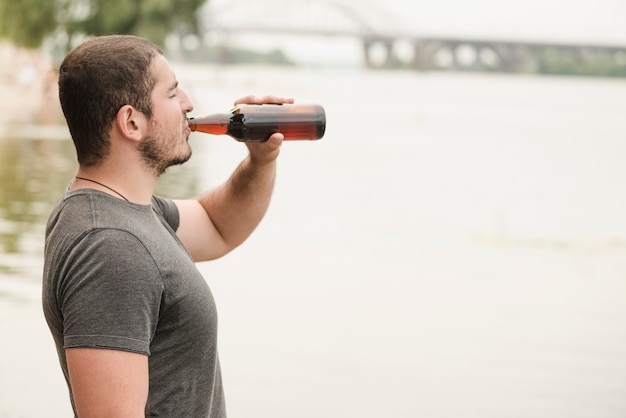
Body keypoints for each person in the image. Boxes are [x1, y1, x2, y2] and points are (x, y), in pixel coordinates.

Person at [42, 34, 292, 417]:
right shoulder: (110, 248)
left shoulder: (120, 211)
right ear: (131, 121)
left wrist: (262, 160)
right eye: (173, 94)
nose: (190, 104)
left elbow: (218, 226)